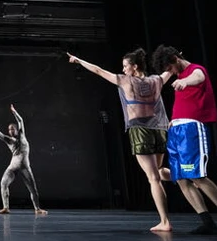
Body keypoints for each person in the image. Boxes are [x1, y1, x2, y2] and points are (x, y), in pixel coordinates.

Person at [67, 49, 173, 231]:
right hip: (159, 131)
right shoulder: (156, 80)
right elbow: (170, 70)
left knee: (153, 178)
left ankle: (165, 222)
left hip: (140, 130)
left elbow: (99, 71)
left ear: (135, 66)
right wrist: (176, 58)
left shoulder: (125, 81)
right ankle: (185, 178)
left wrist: (79, 60)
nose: (123, 70)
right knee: (159, 171)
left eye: (125, 66)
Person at [151, 45, 217, 236]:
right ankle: (207, 222)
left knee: (196, 175)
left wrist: (186, 83)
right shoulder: (177, 75)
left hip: (191, 128)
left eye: (170, 68)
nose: (171, 73)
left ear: (175, 59)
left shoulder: (195, 70)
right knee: (181, 178)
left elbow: (198, 77)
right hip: (176, 130)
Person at [0, 104, 48, 216]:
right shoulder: (9, 140)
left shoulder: (22, 136)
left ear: (17, 130)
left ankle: (37, 209)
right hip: (13, 167)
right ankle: (6, 208)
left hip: (24, 167)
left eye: (12, 129)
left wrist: (14, 111)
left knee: (33, 189)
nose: (10, 131)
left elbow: (20, 120)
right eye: (9, 129)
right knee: (3, 183)